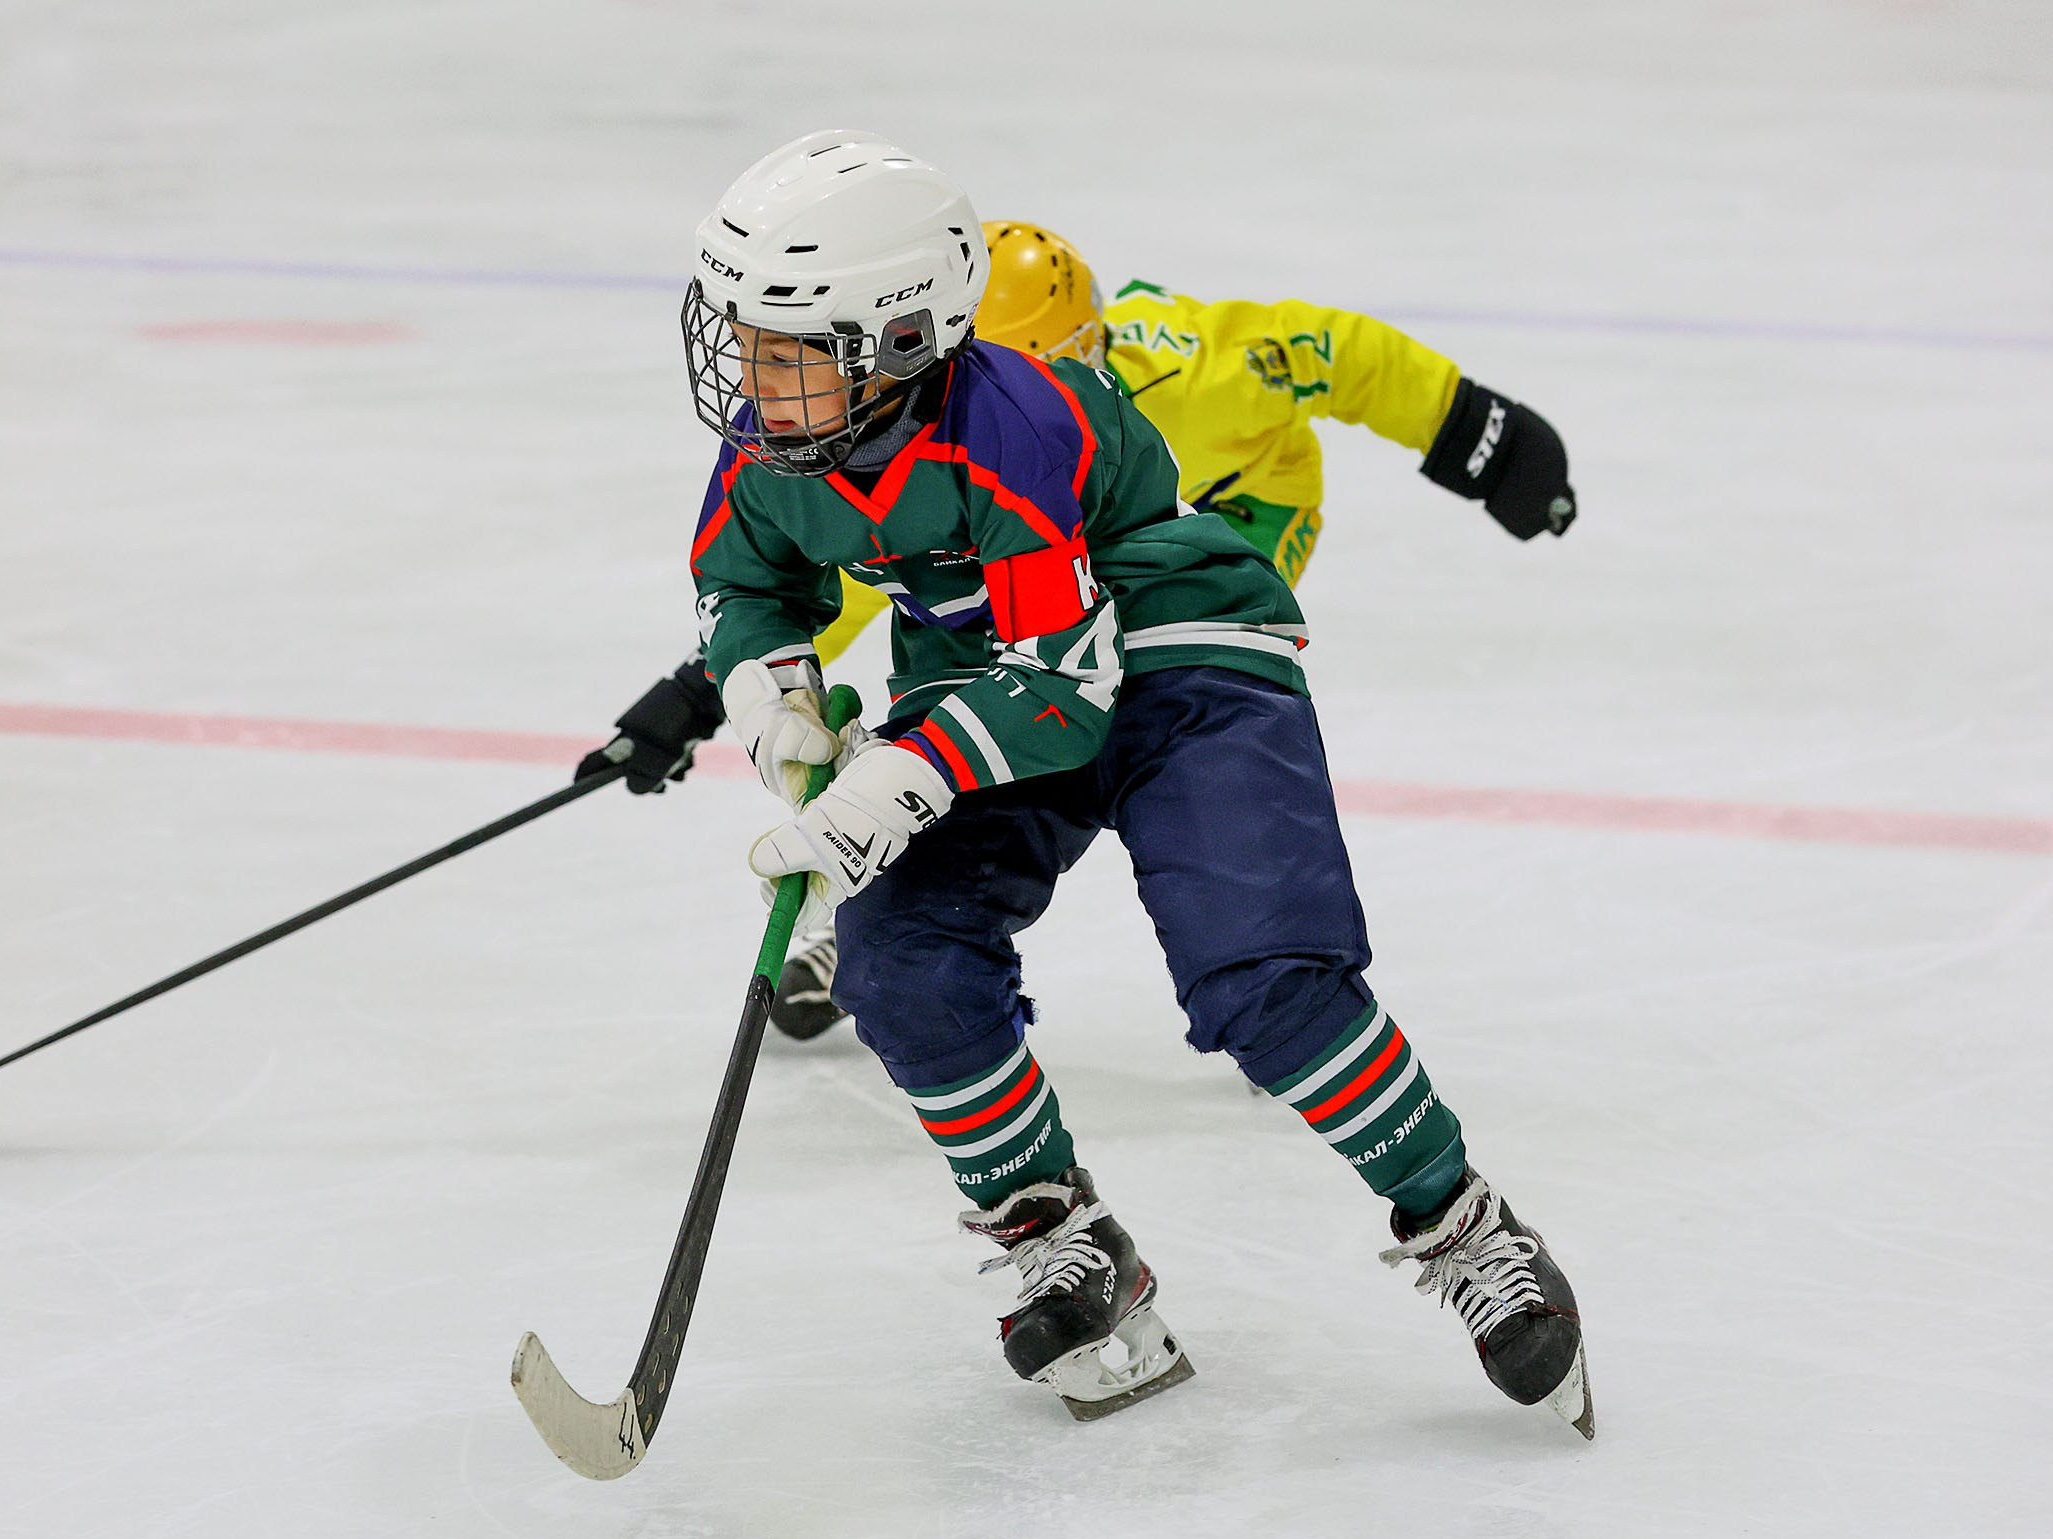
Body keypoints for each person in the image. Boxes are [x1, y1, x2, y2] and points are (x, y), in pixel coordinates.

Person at [646, 128, 1592, 1435]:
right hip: (991, 683)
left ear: (902, 339)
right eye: (745, 338)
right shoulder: (778, 446)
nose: (751, 377)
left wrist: (891, 785)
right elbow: (748, 584)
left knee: (1264, 978)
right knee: (900, 961)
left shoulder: (1013, 424)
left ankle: (1466, 1226)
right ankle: (1063, 1237)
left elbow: (1062, 682)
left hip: (1177, 660)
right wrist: (775, 699)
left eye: (789, 349)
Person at [585, 223, 1578, 1040]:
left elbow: (1346, 357)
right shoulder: (955, 426)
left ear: (1092, 347)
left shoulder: (1195, 369)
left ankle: (1266, 955)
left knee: (1149, 716)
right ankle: (900, 903)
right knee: (996, 702)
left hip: (1225, 522)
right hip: (1046, 556)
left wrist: (1482, 439)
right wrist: (709, 686)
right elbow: (880, 570)